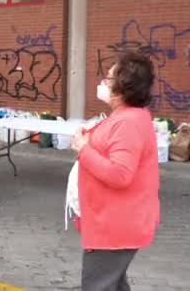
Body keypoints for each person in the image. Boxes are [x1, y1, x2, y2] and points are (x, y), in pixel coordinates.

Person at [71, 52, 160, 291]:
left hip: (114, 227)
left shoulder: (128, 122)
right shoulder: (126, 117)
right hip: (111, 223)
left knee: (98, 285)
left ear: (123, 87)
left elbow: (120, 174)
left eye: (109, 79)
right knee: (114, 284)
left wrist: (83, 149)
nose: (103, 83)